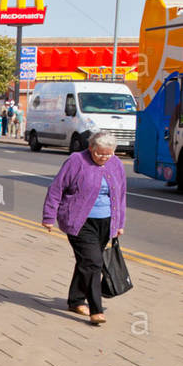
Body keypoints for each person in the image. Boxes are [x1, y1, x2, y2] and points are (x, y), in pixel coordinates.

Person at [41, 131, 127, 325]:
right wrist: (49, 216)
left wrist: (120, 223)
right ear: (91, 148)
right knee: (93, 262)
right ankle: (96, 309)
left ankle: (75, 300)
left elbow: (120, 194)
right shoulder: (76, 161)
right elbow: (56, 188)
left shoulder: (116, 164)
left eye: (108, 154)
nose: (104, 157)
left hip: (106, 221)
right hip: (79, 221)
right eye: (100, 154)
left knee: (86, 262)